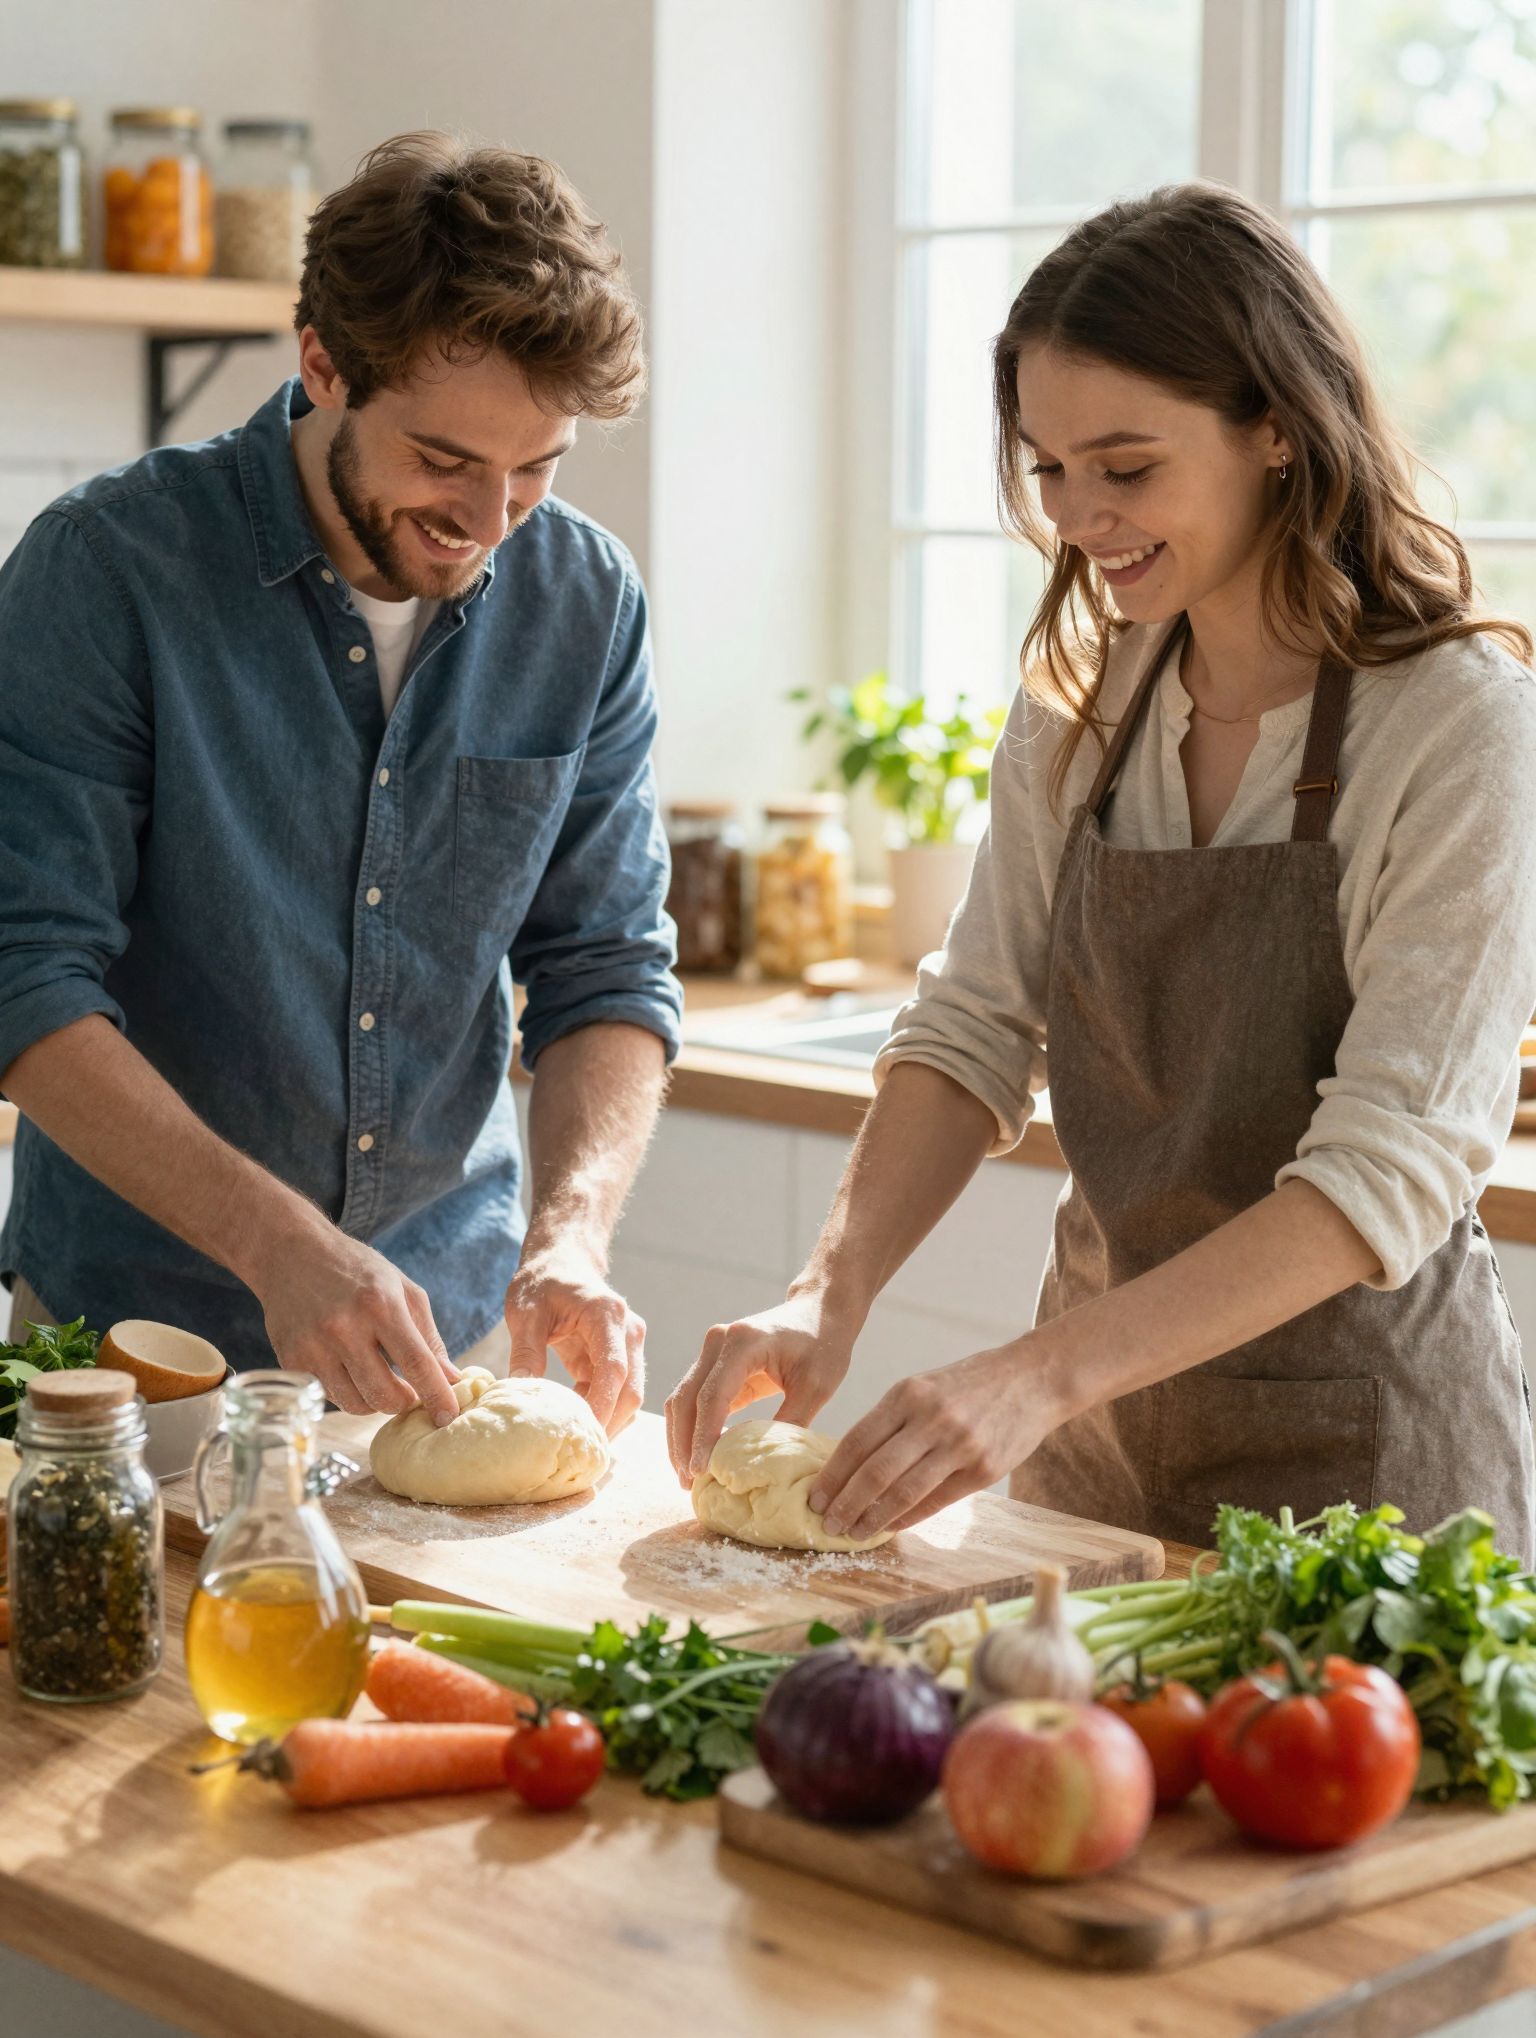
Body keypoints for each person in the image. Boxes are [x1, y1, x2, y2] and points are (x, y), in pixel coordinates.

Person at [667, 181, 1536, 1561]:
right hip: (1094, 1465)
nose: (1078, 516)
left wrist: (1036, 1372)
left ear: (1278, 431)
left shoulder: (1454, 718)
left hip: (1369, 1485)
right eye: (1047, 465)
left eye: (1126, 468)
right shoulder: (1087, 695)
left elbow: (1391, 1165)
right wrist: (825, 1295)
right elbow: (972, 1026)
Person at [0, 132, 680, 1434]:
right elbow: (23, 979)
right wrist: (282, 1247)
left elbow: (603, 962)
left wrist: (570, 1242)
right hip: (139, 1352)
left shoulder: (583, 600)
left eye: (536, 467)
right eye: (444, 462)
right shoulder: (107, 573)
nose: (491, 524)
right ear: (321, 364)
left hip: (446, 1329)